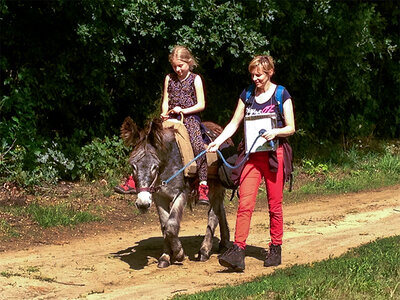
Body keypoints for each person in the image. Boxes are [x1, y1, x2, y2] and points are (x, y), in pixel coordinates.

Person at [207, 55, 295, 271]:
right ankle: (238, 250)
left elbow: (291, 127)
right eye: (253, 74)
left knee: (275, 205)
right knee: (244, 204)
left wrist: (275, 132)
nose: (255, 78)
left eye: (259, 75)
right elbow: (234, 123)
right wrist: (217, 142)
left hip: (275, 155)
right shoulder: (247, 94)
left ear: (270, 73)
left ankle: (275, 247)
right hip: (251, 157)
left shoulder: (281, 94)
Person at [160, 45, 209, 205]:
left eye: (180, 65)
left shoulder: (196, 79)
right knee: (151, 140)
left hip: (189, 118)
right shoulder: (169, 78)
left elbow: (201, 104)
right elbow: (166, 100)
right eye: (174, 66)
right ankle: (139, 179)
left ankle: (203, 185)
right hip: (171, 118)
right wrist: (164, 113)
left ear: (189, 62)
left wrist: (184, 110)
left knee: (198, 145)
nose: (177, 69)